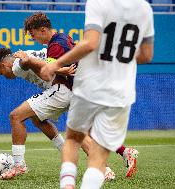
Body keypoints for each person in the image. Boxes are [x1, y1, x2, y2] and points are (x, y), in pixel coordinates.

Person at [38, 0, 155, 188]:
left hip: (91, 84)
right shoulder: (144, 8)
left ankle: (67, 183)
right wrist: (120, 55)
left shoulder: (98, 2)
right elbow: (146, 56)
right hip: (121, 92)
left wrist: (56, 64)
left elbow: (90, 43)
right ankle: (124, 153)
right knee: (99, 152)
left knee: (74, 138)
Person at [17, 11, 141, 181]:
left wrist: (31, 61)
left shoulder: (56, 45)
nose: (32, 38)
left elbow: (47, 73)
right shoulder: (61, 38)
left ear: (43, 29)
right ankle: (125, 153)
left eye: (33, 34)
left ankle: (104, 169)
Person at [0, 47, 75, 180]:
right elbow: (44, 57)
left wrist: (59, 70)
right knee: (36, 118)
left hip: (61, 89)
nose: (3, 76)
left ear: (3, 65)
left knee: (15, 116)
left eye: (0, 72)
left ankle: (19, 165)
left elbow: (27, 61)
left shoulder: (17, 64)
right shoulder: (28, 53)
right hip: (69, 87)